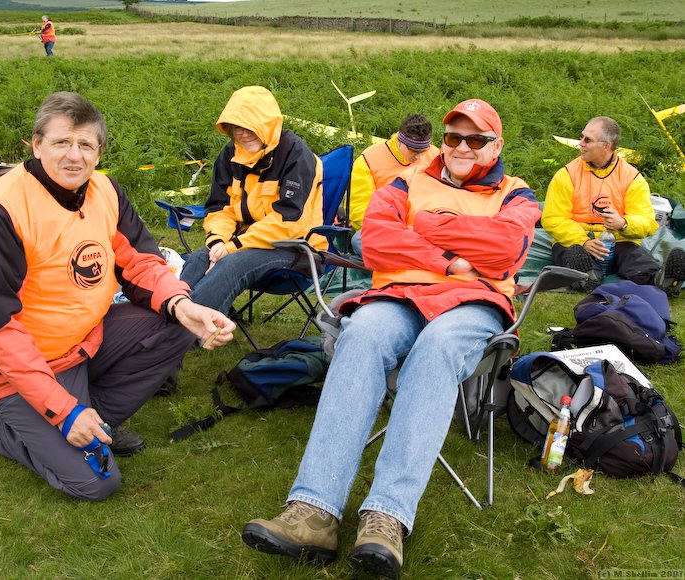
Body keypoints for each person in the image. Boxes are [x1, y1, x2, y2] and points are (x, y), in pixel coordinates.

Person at [241, 99, 540, 578]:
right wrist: (447, 259)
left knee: (438, 349)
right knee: (360, 335)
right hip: (400, 294)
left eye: (477, 139)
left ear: (496, 146)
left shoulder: (517, 194)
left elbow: (504, 249)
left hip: (473, 302)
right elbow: (376, 239)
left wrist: (424, 225)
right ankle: (314, 512)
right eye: (454, 137)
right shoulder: (407, 180)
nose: (462, 147)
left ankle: (387, 516)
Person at [0, 92, 235, 501]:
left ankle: (92, 423)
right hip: (13, 366)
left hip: (79, 346)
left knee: (178, 325)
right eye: (61, 143)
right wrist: (64, 410)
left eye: (86, 145)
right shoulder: (0, 213)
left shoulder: (104, 191)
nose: (74, 156)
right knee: (97, 481)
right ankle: (3, 423)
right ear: (36, 145)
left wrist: (184, 304)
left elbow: (142, 262)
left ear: (99, 151)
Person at [180, 85, 327, 315]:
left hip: (295, 248)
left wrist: (234, 246)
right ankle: (169, 315)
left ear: (267, 124)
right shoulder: (230, 154)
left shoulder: (297, 156)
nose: (244, 134)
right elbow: (219, 208)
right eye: (237, 128)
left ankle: (180, 332)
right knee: (200, 257)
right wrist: (219, 241)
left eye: (251, 127)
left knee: (231, 264)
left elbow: (288, 223)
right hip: (246, 239)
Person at [541, 116, 685, 295]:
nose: (580, 144)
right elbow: (552, 218)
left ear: (606, 146)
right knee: (571, 252)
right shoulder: (566, 175)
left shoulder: (632, 178)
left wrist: (623, 223)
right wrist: (583, 241)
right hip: (576, 240)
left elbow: (647, 221)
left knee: (633, 257)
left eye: (587, 140)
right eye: (581, 137)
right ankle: (586, 276)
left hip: (618, 240)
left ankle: (661, 280)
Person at [348, 114, 439, 255]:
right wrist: (395, 228)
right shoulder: (369, 160)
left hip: (426, 223)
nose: (420, 157)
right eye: (414, 151)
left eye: (423, 151)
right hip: (388, 225)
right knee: (359, 240)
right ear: (400, 141)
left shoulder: (435, 155)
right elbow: (359, 211)